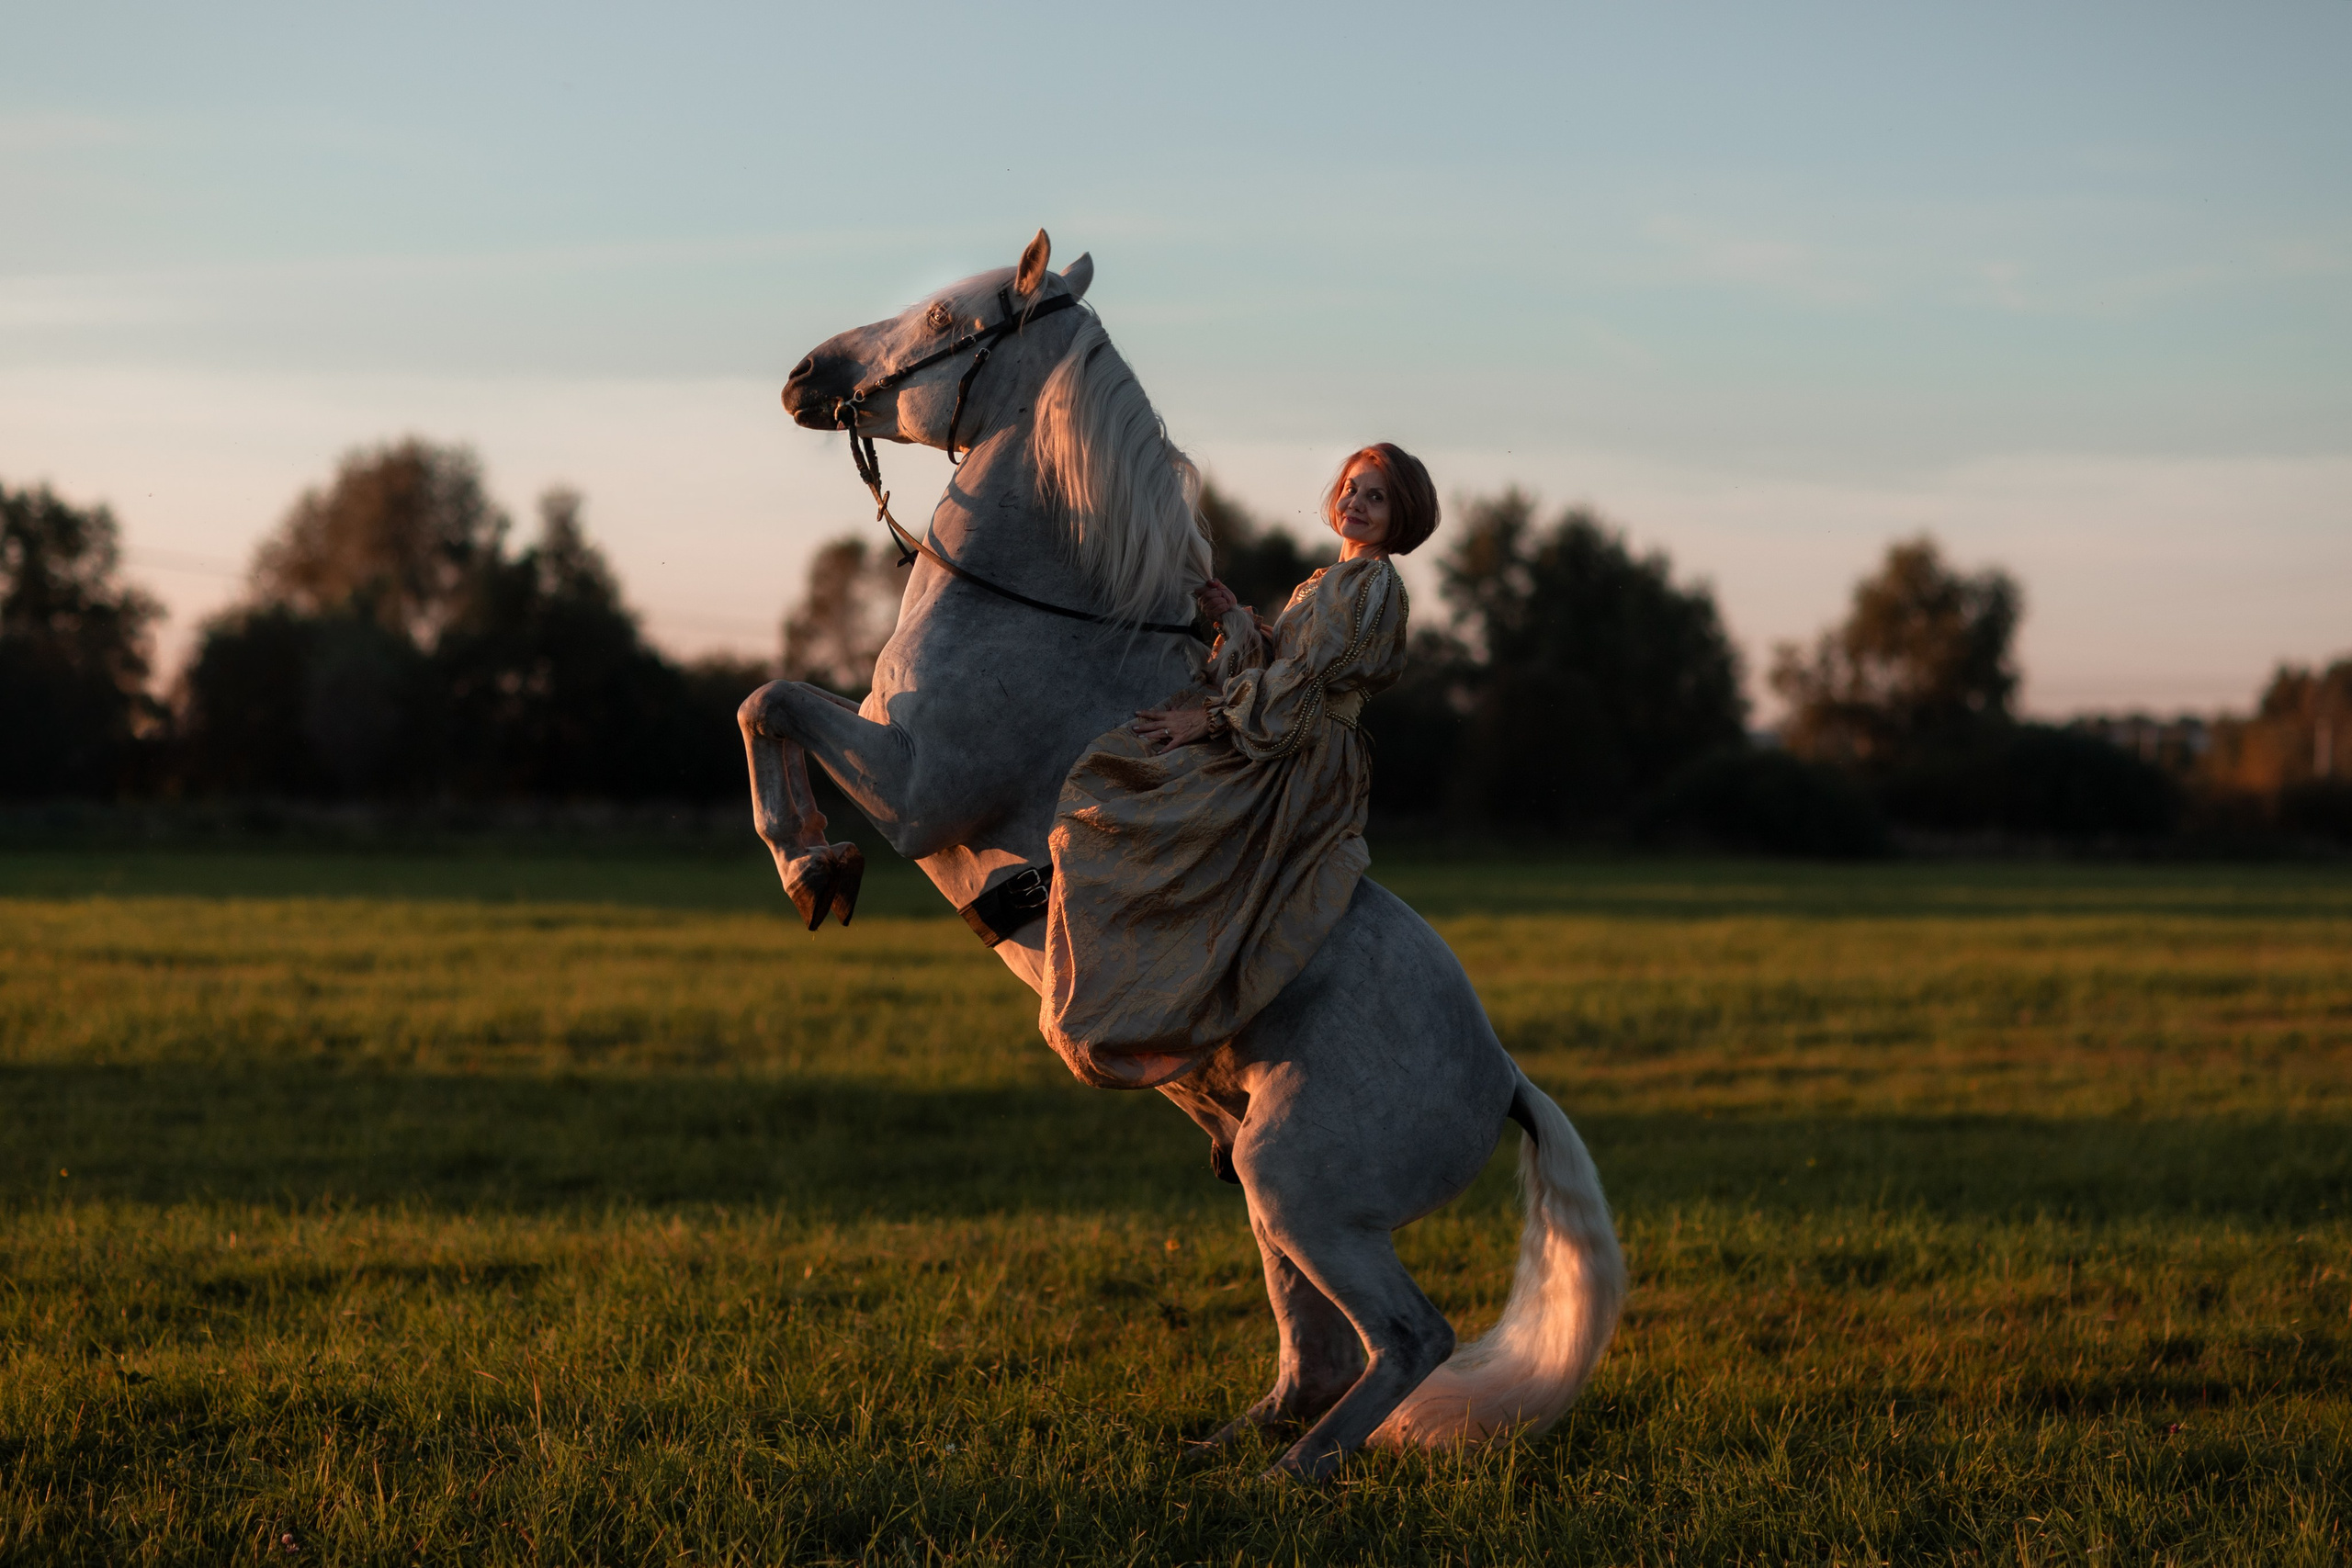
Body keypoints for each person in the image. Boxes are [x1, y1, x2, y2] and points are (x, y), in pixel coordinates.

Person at [1038, 443, 1442, 1088]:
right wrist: (1233, 618)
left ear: (1404, 515)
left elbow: (1309, 687)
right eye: (1352, 487)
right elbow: (1281, 666)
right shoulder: (1325, 581)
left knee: (1146, 797)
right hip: (1280, 731)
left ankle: (1159, 988)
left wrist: (1210, 719)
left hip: (1304, 752)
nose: (1356, 503)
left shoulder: (1373, 585)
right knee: (1131, 767)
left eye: (1376, 496)